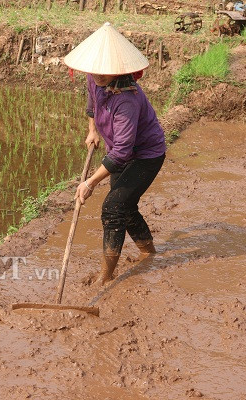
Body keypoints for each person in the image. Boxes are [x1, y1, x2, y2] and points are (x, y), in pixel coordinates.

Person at [63, 22, 166, 285]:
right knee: (125, 206)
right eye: (95, 69)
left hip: (145, 155)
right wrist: (92, 130)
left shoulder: (127, 99)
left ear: (118, 70)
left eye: (105, 72)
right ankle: (148, 252)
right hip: (120, 150)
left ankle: (105, 277)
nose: (98, 75)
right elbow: (92, 101)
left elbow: (121, 152)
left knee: (113, 207)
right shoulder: (95, 76)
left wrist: (89, 183)